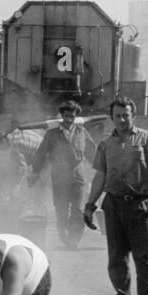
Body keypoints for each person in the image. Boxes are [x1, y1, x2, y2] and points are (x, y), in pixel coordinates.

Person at [82, 97, 148, 295]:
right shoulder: (105, 144)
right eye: (117, 115)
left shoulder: (145, 139)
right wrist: (90, 205)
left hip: (140, 204)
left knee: (143, 256)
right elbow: (100, 176)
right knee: (116, 256)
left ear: (133, 116)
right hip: (113, 203)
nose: (121, 119)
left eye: (125, 115)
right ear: (112, 118)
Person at [30, 100, 97, 249]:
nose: (68, 120)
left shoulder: (82, 132)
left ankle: (74, 239)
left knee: (78, 210)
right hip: (60, 177)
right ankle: (65, 237)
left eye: (71, 116)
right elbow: (41, 153)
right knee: (61, 210)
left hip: (78, 177)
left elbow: (92, 152)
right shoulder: (52, 134)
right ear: (62, 116)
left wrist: (102, 168)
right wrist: (34, 171)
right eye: (66, 116)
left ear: (75, 116)